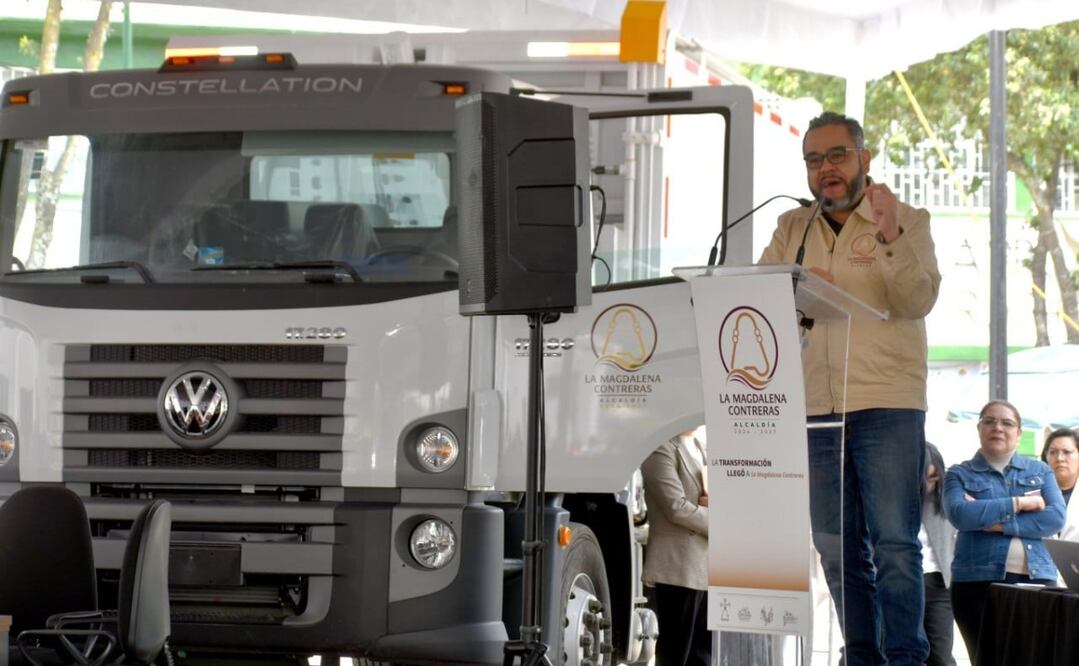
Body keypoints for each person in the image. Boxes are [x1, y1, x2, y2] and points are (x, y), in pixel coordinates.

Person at [759, 111, 941, 665]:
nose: (825, 170)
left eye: (837, 155)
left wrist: (888, 235)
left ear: (864, 158)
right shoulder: (794, 228)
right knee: (836, 551)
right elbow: (760, 297)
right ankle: (861, 655)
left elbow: (917, 299)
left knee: (893, 546)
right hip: (817, 408)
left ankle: (907, 657)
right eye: (814, 160)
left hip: (887, 402)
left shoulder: (906, 217)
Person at [943, 400, 1066, 657]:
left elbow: (1055, 518)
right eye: (989, 421)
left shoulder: (1041, 470)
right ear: (979, 428)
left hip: (1037, 579)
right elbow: (960, 515)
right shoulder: (958, 474)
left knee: (1034, 658)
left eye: (1007, 423)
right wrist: (1020, 503)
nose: (998, 427)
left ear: (1019, 433)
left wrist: (1000, 524)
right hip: (976, 581)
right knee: (986, 657)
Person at [640, 430, 710, 666]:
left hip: (705, 567)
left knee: (702, 656)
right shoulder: (660, 448)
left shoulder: (701, 446)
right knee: (675, 653)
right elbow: (675, 507)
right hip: (677, 568)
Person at [920, 442, 957, 666]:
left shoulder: (945, 501)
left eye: (935, 478)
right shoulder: (891, 503)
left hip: (939, 583)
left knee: (941, 655)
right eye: (925, 478)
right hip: (901, 582)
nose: (930, 485)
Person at [1040, 427, 1079, 540]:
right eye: (1053, 452)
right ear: (1046, 457)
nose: (1060, 458)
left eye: (1067, 452)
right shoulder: (1033, 492)